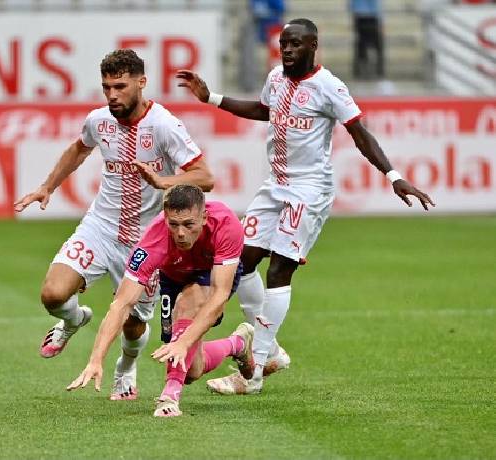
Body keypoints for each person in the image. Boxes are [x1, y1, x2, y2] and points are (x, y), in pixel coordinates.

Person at [176, 18, 435, 395]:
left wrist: (393, 175)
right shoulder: (276, 77)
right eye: (284, 43)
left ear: (314, 45)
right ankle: (273, 351)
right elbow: (264, 110)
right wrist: (212, 98)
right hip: (275, 186)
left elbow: (359, 132)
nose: (287, 50)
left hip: (308, 191)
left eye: (295, 44)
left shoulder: (330, 87)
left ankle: (255, 372)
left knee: (279, 268)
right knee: (241, 260)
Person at [14, 49, 214, 401]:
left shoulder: (164, 125)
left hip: (146, 238)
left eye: (120, 86)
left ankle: (126, 366)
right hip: (101, 226)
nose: (112, 95)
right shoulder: (99, 120)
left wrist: (162, 182)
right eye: (106, 87)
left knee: (134, 322)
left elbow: (204, 177)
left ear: (141, 83)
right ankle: (74, 319)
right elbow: (79, 148)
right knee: (53, 294)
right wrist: (48, 186)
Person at [67, 184, 254, 417]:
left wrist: (184, 342)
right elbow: (121, 304)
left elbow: (219, 295)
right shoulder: (152, 242)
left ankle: (169, 398)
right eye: (173, 224)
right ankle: (237, 343)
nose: (181, 233)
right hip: (172, 276)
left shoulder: (226, 225)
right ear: (165, 217)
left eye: (188, 224)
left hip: (213, 273)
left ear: (204, 217)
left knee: (188, 307)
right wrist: (96, 359)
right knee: (192, 371)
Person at [350, 0, 384, 79]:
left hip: (362, 16)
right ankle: (377, 69)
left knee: (361, 44)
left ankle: (361, 69)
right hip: (371, 17)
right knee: (373, 45)